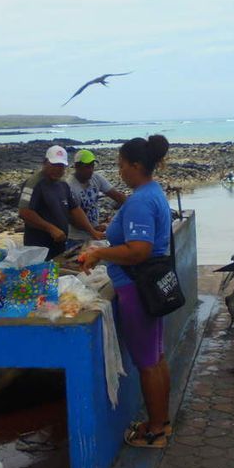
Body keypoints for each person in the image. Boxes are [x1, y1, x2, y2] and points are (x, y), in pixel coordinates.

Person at [79, 135, 172, 448]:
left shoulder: (141, 201)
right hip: (150, 286)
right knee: (156, 358)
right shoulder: (153, 191)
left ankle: (156, 432)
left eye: (121, 166)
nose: (119, 172)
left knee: (147, 363)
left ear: (136, 165)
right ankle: (162, 422)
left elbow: (139, 250)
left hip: (136, 288)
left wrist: (99, 254)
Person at [18, 145, 104, 260]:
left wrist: (92, 231)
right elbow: (24, 212)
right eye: (54, 165)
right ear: (45, 163)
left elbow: (75, 209)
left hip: (59, 244)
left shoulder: (63, 185)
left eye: (61, 166)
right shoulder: (34, 184)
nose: (57, 169)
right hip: (38, 247)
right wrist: (50, 228)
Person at [65, 149, 126, 250]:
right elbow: (72, 217)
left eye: (92, 166)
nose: (91, 170)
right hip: (77, 237)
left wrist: (134, 206)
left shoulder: (95, 178)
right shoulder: (69, 186)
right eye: (87, 167)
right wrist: (92, 230)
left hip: (94, 232)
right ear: (77, 167)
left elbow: (117, 196)